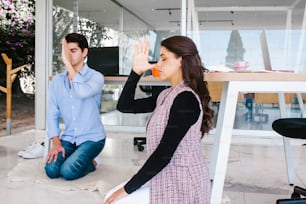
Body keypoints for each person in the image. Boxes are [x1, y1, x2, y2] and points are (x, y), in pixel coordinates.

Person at [104, 36, 214, 204]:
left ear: (181, 60)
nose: (158, 64)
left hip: (184, 185)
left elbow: (163, 155)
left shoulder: (186, 99)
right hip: (166, 175)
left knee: (116, 200)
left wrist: (126, 189)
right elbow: (124, 106)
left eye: (164, 58)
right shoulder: (166, 94)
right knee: (110, 197)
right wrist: (136, 72)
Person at [45, 33, 106, 180]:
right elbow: (52, 112)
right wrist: (56, 142)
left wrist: (67, 64)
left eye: (73, 51)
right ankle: (75, 156)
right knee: (51, 170)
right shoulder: (57, 82)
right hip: (69, 137)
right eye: (66, 51)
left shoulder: (96, 77)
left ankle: (93, 162)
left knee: (68, 172)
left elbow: (82, 91)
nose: (68, 55)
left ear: (84, 52)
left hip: (93, 138)